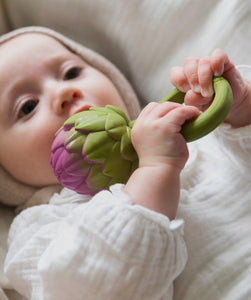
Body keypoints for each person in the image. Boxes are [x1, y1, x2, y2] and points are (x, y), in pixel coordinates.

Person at [0, 26, 250, 300]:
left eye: (71, 73)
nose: (64, 93)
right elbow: (92, 285)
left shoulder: (190, 136)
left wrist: (239, 109)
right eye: (27, 106)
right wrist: (156, 170)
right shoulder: (38, 228)